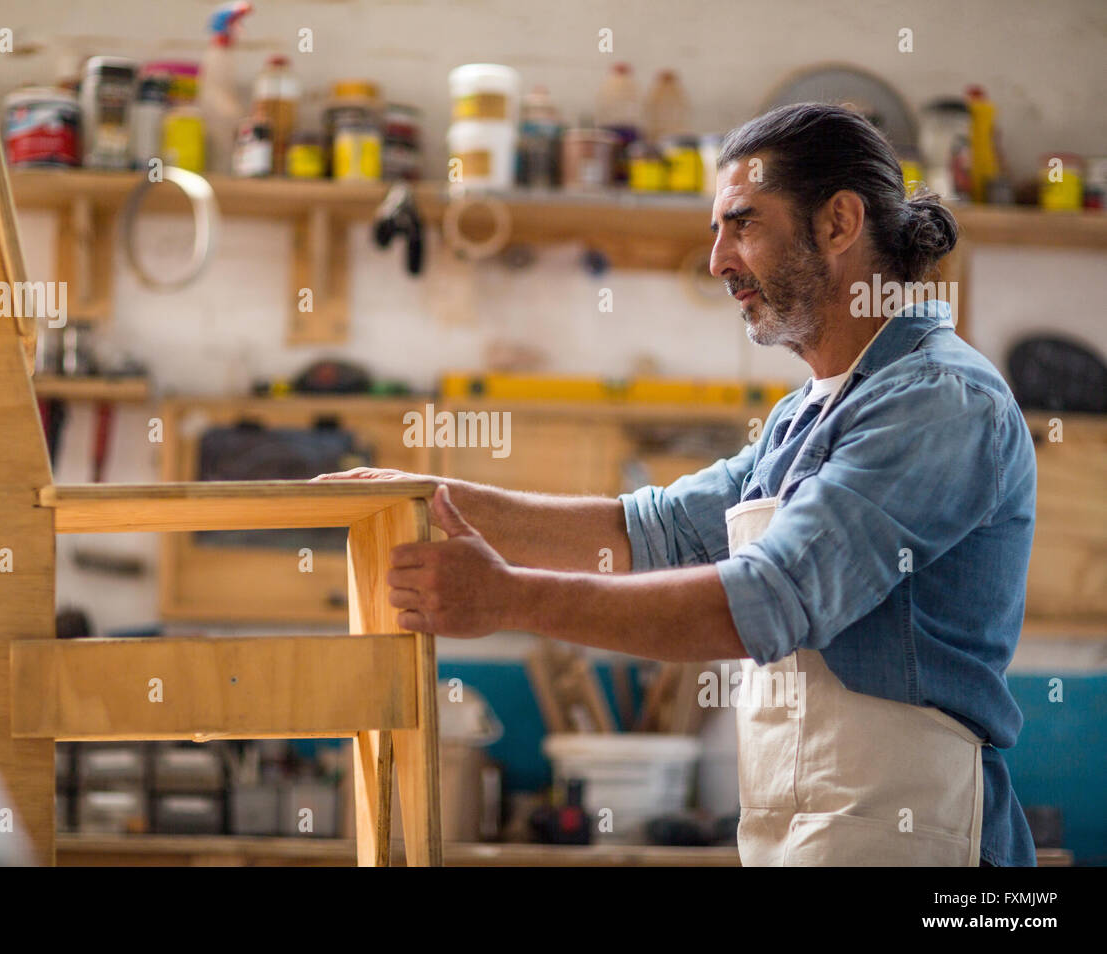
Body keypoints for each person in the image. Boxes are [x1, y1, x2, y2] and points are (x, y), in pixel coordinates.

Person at [314, 103, 1036, 867]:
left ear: (838, 223)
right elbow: (652, 530)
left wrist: (508, 599)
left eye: (743, 223)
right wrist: (428, 499)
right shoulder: (804, 416)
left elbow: (765, 600)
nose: (720, 258)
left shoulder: (937, 401)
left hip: (917, 837)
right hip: (809, 837)